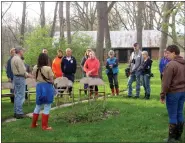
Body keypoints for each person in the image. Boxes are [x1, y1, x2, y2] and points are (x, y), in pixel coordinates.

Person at [160, 45, 185, 142]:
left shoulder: (171, 65)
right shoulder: (183, 63)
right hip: (183, 92)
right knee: (179, 113)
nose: (166, 55)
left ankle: (171, 138)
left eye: (168, 53)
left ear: (174, 53)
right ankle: (178, 136)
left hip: (173, 93)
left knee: (173, 115)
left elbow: (165, 83)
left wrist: (162, 95)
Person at [31, 53, 55, 130]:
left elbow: (34, 77)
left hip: (39, 87)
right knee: (47, 106)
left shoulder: (35, 67)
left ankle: (33, 124)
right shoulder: (48, 68)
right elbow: (51, 80)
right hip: (47, 87)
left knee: (38, 105)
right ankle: (44, 126)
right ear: (46, 59)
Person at [11, 48, 33, 119]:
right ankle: (19, 113)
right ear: (20, 51)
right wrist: (28, 75)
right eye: (23, 51)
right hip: (20, 78)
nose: (23, 52)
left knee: (17, 95)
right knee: (21, 95)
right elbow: (22, 71)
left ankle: (16, 112)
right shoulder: (18, 59)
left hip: (16, 77)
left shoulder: (13, 58)